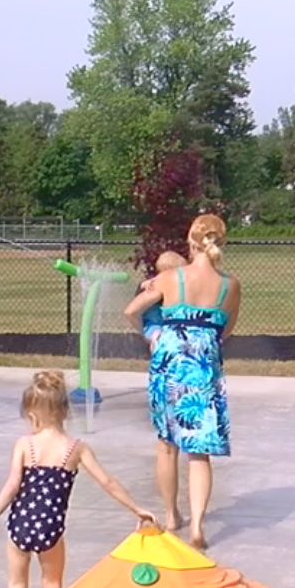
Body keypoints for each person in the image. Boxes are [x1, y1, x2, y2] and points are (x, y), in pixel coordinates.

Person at [0, 369, 156, 588]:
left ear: (31, 412)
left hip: (19, 524)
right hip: (51, 527)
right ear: (64, 410)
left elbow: (12, 485)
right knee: (51, 583)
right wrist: (136, 507)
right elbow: (107, 482)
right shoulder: (76, 449)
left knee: (16, 585)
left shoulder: (25, 445)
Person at [123, 214, 241, 550]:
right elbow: (227, 330)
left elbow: (131, 311)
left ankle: (172, 514)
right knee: (199, 451)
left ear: (191, 240)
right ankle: (198, 526)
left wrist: (154, 333)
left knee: (167, 444)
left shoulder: (170, 277)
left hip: (170, 360)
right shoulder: (230, 285)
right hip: (204, 361)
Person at [135, 250, 187, 355]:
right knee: (156, 333)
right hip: (152, 324)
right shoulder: (154, 283)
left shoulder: (177, 286)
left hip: (167, 324)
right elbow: (135, 302)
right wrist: (142, 286)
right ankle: (155, 344)